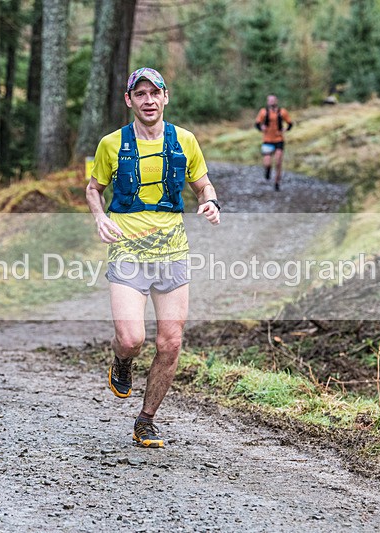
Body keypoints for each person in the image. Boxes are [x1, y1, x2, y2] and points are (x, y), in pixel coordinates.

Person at [85, 67, 221, 448]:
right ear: (129, 100)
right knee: (131, 339)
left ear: (165, 97)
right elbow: (93, 189)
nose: (148, 100)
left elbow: (202, 184)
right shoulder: (111, 144)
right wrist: (99, 218)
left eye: (154, 93)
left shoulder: (185, 141)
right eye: (139, 94)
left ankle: (145, 420)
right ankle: (123, 361)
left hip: (173, 252)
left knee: (171, 342)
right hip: (128, 250)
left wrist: (209, 201)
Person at [255, 94, 293, 191]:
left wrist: (285, 129)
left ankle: (277, 182)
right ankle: (267, 171)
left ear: (276, 101)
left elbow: (290, 123)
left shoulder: (282, 112)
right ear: (267, 102)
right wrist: (261, 128)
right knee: (267, 162)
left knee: (278, 161)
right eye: (270, 100)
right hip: (267, 140)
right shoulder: (263, 112)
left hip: (279, 140)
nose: (271, 102)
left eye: (273, 100)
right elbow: (257, 123)